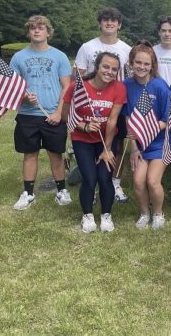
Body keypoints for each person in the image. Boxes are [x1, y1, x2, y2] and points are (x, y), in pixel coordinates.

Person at [10, 15, 72, 210]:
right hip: (28, 114)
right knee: (30, 154)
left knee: (56, 153)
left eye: (41, 28)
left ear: (48, 32)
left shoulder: (59, 56)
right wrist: (24, 97)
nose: (37, 31)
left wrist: (58, 112)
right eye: (33, 28)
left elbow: (66, 86)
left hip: (52, 113)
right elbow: (12, 87)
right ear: (28, 32)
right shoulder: (18, 57)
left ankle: (61, 190)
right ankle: (28, 193)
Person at [62, 52, 127, 233]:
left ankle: (106, 215)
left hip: (106, 139)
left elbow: (113, 121)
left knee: (105, 178)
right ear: (97, 67)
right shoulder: (77, 87)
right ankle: (87, 215)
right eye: (106, 67)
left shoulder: (119, 88)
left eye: (114, 69)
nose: (109, 71)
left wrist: (107, 149)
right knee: (90, 178)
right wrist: (83, 126)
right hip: (82, 138)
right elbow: (64, 115)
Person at [75, 7, 131, 203]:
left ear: (119, 25)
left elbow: (130, 76)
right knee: (91, 141)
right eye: (105, 20)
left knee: (117, 142)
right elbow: (80, 77)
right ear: (100, 23)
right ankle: (94, 182)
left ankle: (114, 182)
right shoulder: (87, 47)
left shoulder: (126, 49)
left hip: (116, 102)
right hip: (90, 104)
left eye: (113, 20)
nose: (109, 23)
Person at [122, 41, 171, 230]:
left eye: (146, 64)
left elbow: (168, 118)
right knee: (138, 181)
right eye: (138, 63)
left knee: (153, 181)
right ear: (131, 63)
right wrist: (134, 148)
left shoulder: (159, 86)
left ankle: (159, 213)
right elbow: (129, 118)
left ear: (152, 65)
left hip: (160, 142)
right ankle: (145, 212)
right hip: (140, 143)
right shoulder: (126, 85)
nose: (142, 67)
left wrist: (149, 130)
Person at [153, 17, 171, 204]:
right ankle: (154, 176)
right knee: (156, 137)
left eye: (170, 31)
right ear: (159, 32)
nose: (167, 34)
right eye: (163, 30)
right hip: (156, 101)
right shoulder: (153, 51)